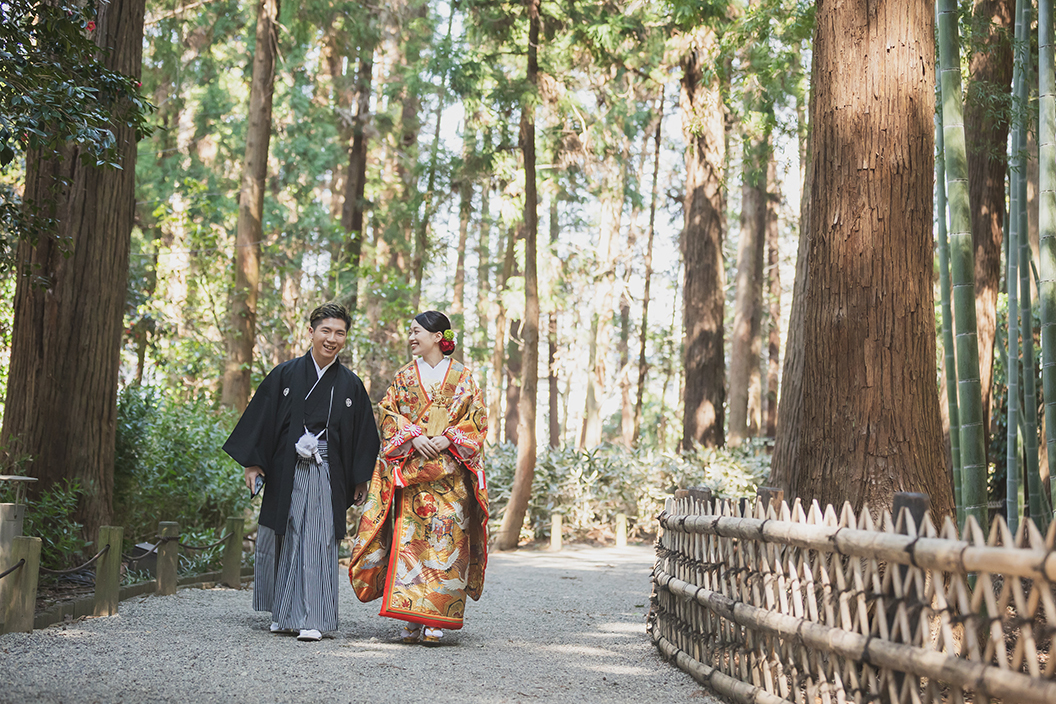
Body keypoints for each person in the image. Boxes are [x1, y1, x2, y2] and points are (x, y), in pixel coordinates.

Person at [223, 303, 380, 642]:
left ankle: (313, 617)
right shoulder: (285, 374)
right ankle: (284, 614)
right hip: (287, 466)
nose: (332, 339)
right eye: (326, 331)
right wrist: (253, 462)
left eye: (340, 333)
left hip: (327, 470)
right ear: (311, 332)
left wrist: (360, 477)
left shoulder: (351, 384)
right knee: (287, 534)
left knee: (318, 539)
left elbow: (364, 434)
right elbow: (261, 417)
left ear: (345, 337)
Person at [349, 311, 488, 645]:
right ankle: (410, 615)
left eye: (416, 332)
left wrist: (450, 437)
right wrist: (412, 437)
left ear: (438, 337)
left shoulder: (464, 377)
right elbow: (387, 413)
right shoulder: (404, 376)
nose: (411, 337)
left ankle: (436, 618)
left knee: (446, 545)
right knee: (410, 545)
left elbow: (478, 419)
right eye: (410, 332)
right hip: (413, 476)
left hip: (451, 477)